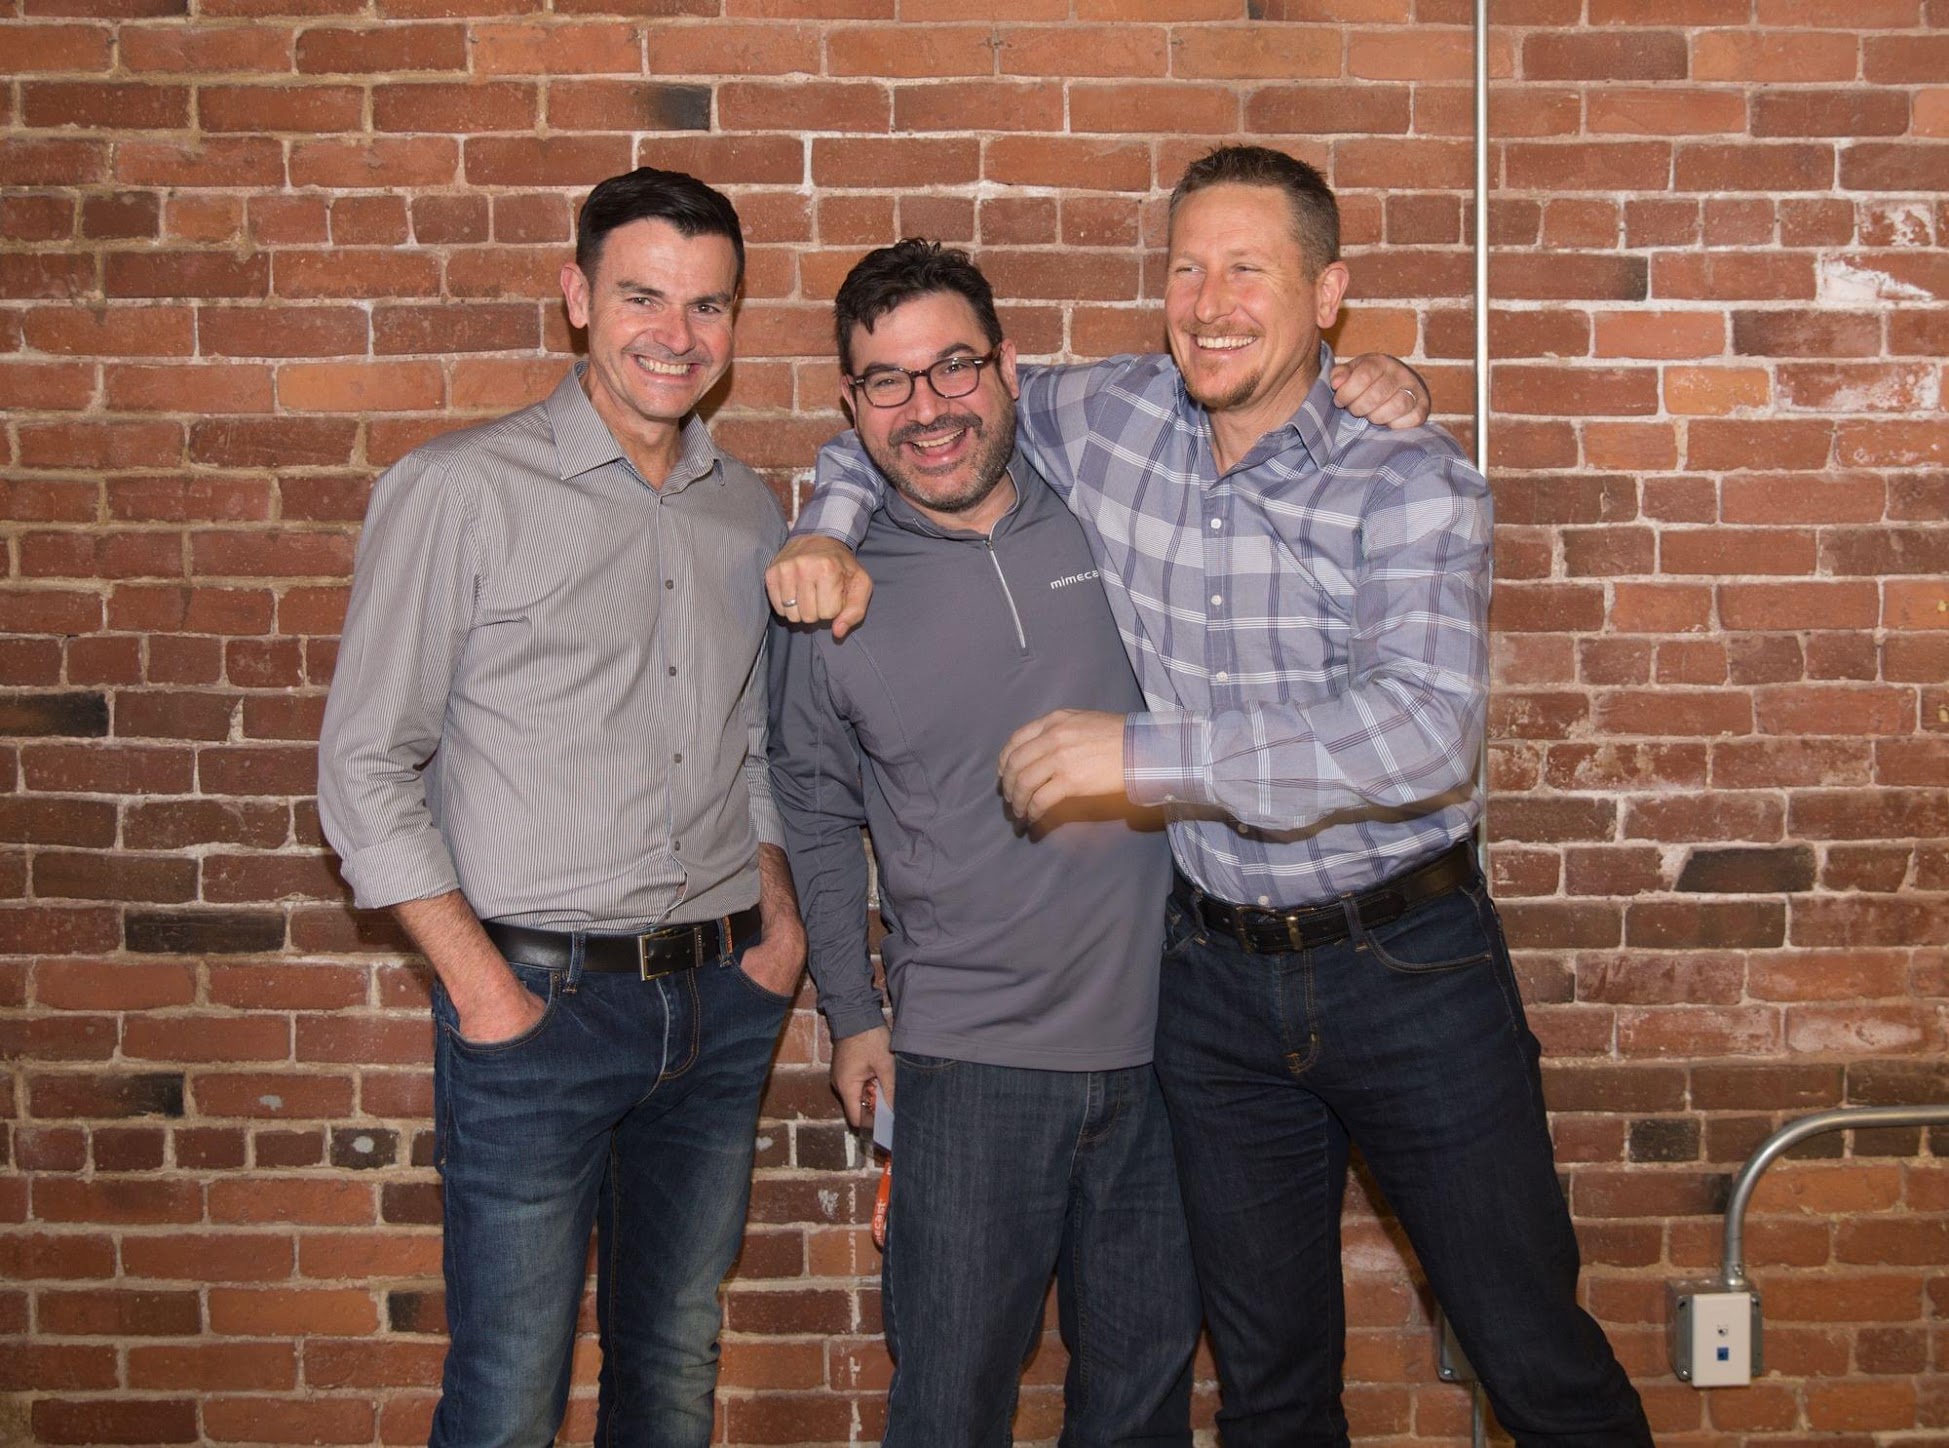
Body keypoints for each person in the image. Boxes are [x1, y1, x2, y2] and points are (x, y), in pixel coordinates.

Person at [769, 146, 1654, 1447]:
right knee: (1268, 1378)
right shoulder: (1107, 416)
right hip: (1217, 992)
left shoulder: (1407, 474)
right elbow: (925, 412)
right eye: (1186, 267)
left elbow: (1422, 733)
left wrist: (1147, 757)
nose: (1210, 298)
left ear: (1328, 291)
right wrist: (826, 525)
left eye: (1249, 268)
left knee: (1528, 1347)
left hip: (1408, 963)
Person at [317, 167, 805, 1448]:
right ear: (577, 295)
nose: (676, 334)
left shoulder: (745, 511)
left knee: (671, 1368)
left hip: (716, 1008)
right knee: (506, 1395)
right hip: (537, 1013)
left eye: (709, 305)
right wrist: (485, 991)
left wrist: (779, 927)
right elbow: (364, 764)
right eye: (643, 295)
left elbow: (750, 735)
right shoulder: (461, 489)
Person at [768, 240, 1200, 1447]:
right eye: (887, 382)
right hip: (963, 1070)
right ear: (850, 408)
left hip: (1170, 1051)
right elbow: (810, 805)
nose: (928, 407)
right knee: (948, 1407)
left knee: (1139, 1408)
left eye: (952, 365)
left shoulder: (1116, 527)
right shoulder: (831, 592)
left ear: (1009, 366)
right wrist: (852, 1011)